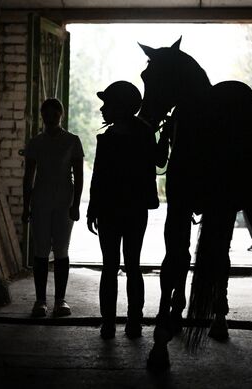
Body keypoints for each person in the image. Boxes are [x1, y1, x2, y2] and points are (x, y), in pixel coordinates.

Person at [87, 81, 166, 339]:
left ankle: (109, 323)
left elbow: (98, 177)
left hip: (110, 210)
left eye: (107, 103)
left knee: (110, 266)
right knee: (133, 265)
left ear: (119, 106)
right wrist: (164, 135)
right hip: (134, 210)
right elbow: (160, 160)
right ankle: (133, 322)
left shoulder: (109, 138)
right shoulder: (142, 133)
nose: (103, 109)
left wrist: (93, 209)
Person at [22, 98, 84, 318]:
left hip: (64, 200)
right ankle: (40, 301)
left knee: (61, 250)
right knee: (40, 250)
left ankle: (60, 300)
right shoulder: (36, 142)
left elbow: (79, 174)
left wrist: (76, 204)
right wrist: (25, 205)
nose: (50, 117)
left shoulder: (72, 141)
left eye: (54, 113)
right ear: (42, 116)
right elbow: (28, 176)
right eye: (46, 114)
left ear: (61, 114)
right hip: (40, 200)